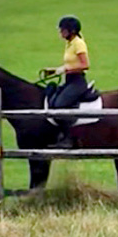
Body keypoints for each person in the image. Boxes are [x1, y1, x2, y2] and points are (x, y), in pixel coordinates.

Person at [39, 15, 91, 146]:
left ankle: (69, 138)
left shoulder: (78, 43)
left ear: (71, 31)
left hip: (77, 82)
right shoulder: (69, 44)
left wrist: (65, 69)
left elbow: (85, 64)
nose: (61, 32)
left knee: (60, 105)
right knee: (52, 98)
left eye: (63, 30)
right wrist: (55, 70)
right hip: (69, 80)